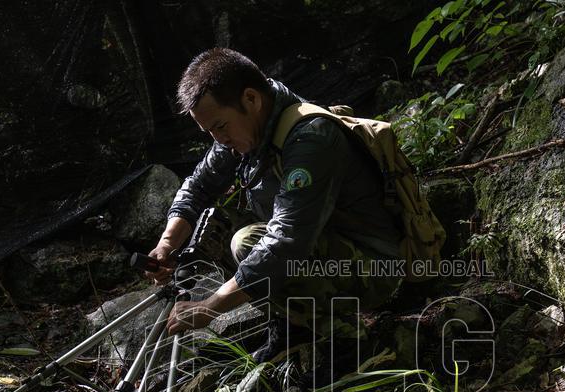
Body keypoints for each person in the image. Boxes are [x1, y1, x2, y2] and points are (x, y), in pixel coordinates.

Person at [150, 48, 403, 362]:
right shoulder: (246, 128)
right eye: (211, 132)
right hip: (322, 250)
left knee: (247, 243)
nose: (219, 138)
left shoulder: (311, 139)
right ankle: (291, 325)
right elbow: (199, 187)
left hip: (372, 267)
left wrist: (211, 306)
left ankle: (350, 345)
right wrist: (167, 244)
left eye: (221, 126)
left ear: (251, 99)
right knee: (218, 226)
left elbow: (286, 242)